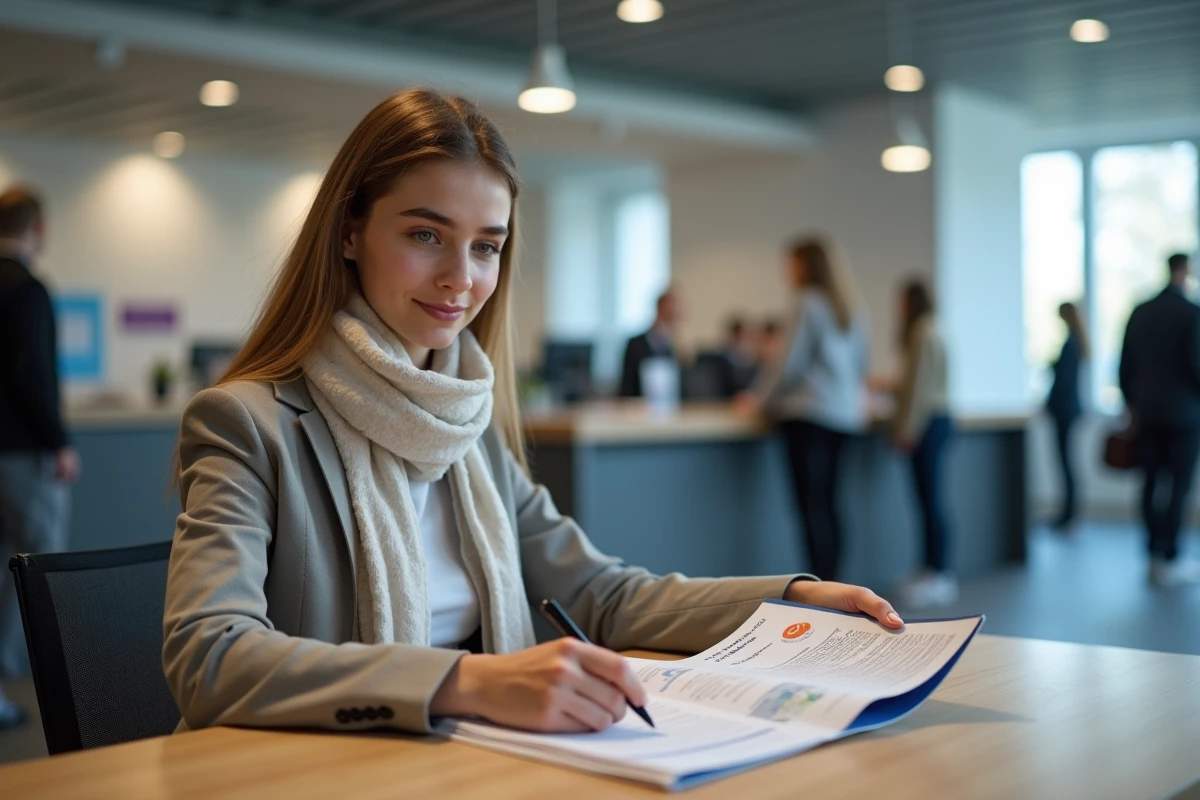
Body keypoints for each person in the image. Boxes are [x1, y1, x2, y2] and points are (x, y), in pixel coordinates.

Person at [163, 90, 904, 738]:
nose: (460, 278)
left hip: (471, 758)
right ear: (350, 232)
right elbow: (209, 655)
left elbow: (604, 595)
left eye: (486, 247)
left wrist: (790, 603)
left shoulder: (466, 428)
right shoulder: (247, 423)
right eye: (425, 235)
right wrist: (463, 682)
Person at [0, 186, 80, 729]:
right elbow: (31, 375)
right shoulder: (27, 290)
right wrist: (59, 441)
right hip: (24, 455)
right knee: (36, 569)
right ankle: (42, 687)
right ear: (39, 229)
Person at [744, 237, 869, 581]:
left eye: (790, 263)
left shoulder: (807, 302)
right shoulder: (850, 308)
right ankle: (836, 584)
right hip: (844, 417)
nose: (785, 271)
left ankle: (820, 587)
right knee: (829, 505)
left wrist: (757, 400)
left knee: (810, 508)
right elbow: (861, 364)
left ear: (804, 265)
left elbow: (788, 364)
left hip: (810, 417)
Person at [1118, 252, 1200, 587]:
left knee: (1150, 483)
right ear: (1185, 271)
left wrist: (1132, 404)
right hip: (1184, 415)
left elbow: (1125, 366)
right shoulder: (1191, 312)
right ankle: (1171, 555)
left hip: (1147, 413)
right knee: (1178, 486)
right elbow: (1196, 365)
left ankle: (1153, 552)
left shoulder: (1141, 311)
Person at [891, 279, 955, 608]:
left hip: (927, 423)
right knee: (930, 498)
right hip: (937, 420)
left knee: (929, 499)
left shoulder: (921, 332)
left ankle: (937, 573)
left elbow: (919, 387)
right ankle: (930, 569)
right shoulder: (934, 329)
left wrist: (907, 428)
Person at [1045, 302, 1089, 531]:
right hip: (1069, 410)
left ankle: (1069, 514)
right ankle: (1068, 513)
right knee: (1066, 462)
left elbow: (1064, 382)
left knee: (1065, 462)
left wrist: (1048, 404)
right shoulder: (1076, 341)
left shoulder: (1071, 343)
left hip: (1064, 410)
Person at [618, 288, 681, 398]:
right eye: (671, 308)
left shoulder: (673, 348)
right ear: (660, 308)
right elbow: (626, 387)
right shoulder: (635, 345)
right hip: (638, 404)